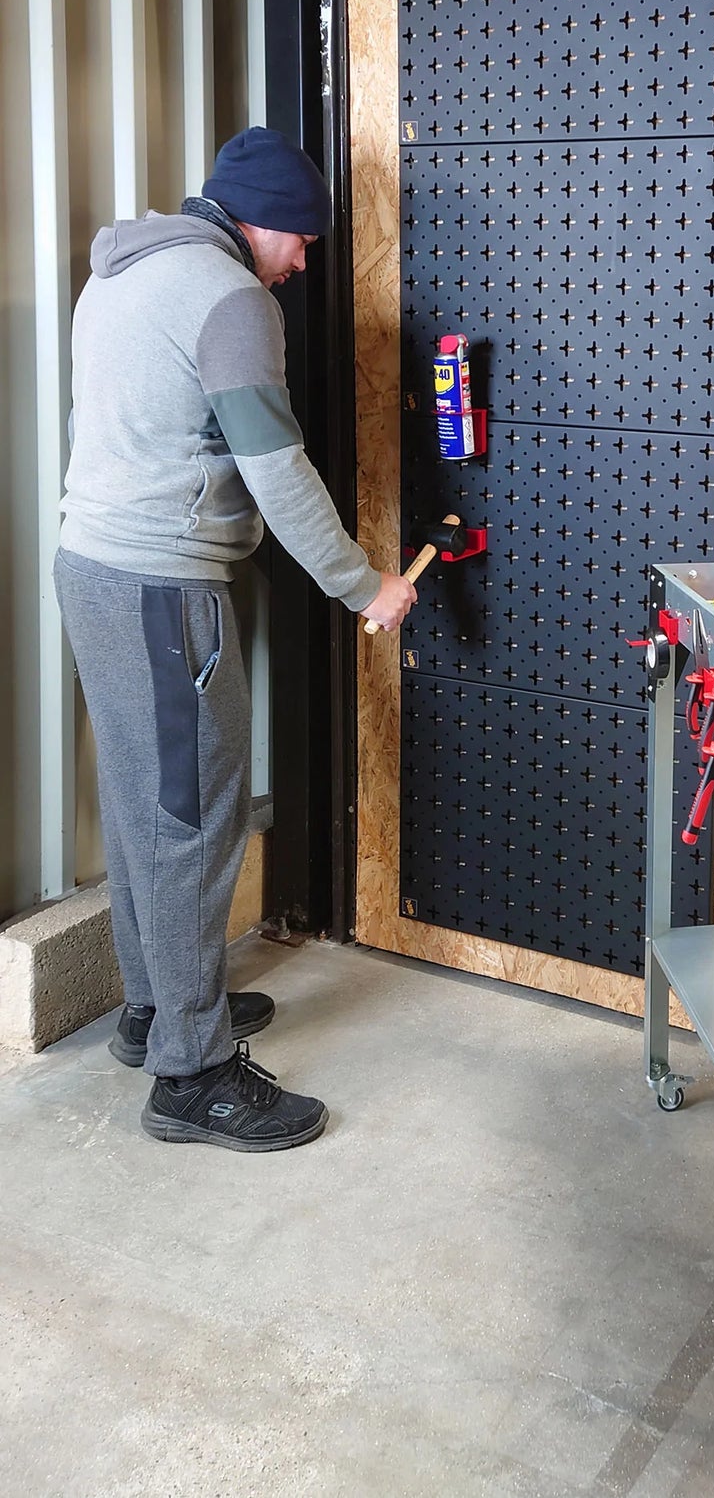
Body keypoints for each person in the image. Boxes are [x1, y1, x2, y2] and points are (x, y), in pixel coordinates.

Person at [55, 127, 415, 1152]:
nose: (303, 262)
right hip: (163, 590)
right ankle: (192, 1073)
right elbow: (276, 469)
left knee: (146, 806)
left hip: (93, 564)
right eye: (300, 239)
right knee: (195, 820)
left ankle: (158, 1009)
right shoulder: (231, 299)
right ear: (259, 220)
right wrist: (364, 588)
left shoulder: (126, 271)